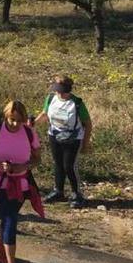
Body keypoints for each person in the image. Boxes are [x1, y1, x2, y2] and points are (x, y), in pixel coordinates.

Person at [0, 101, 42, 263]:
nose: (15, 124)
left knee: (9, 217)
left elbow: (38, 158)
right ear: (5, 116)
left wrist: (26, 165)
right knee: (10, 219)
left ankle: (2, 249)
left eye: (19, 121)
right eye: (12, 120)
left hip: (21, 184)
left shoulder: (29, 133)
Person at [30, 75, 92, 208]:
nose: (59, 93)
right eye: (57, 90)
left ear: (69, 90)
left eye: (62, 91)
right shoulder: (51, 98)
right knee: (58, 164)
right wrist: (34, 123)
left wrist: (85, 144)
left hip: (73, 139)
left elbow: (88, 123)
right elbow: (45, 114)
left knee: (69, 166)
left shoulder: (77, 103)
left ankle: (77, 194)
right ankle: (58, 191)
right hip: (54, 135)